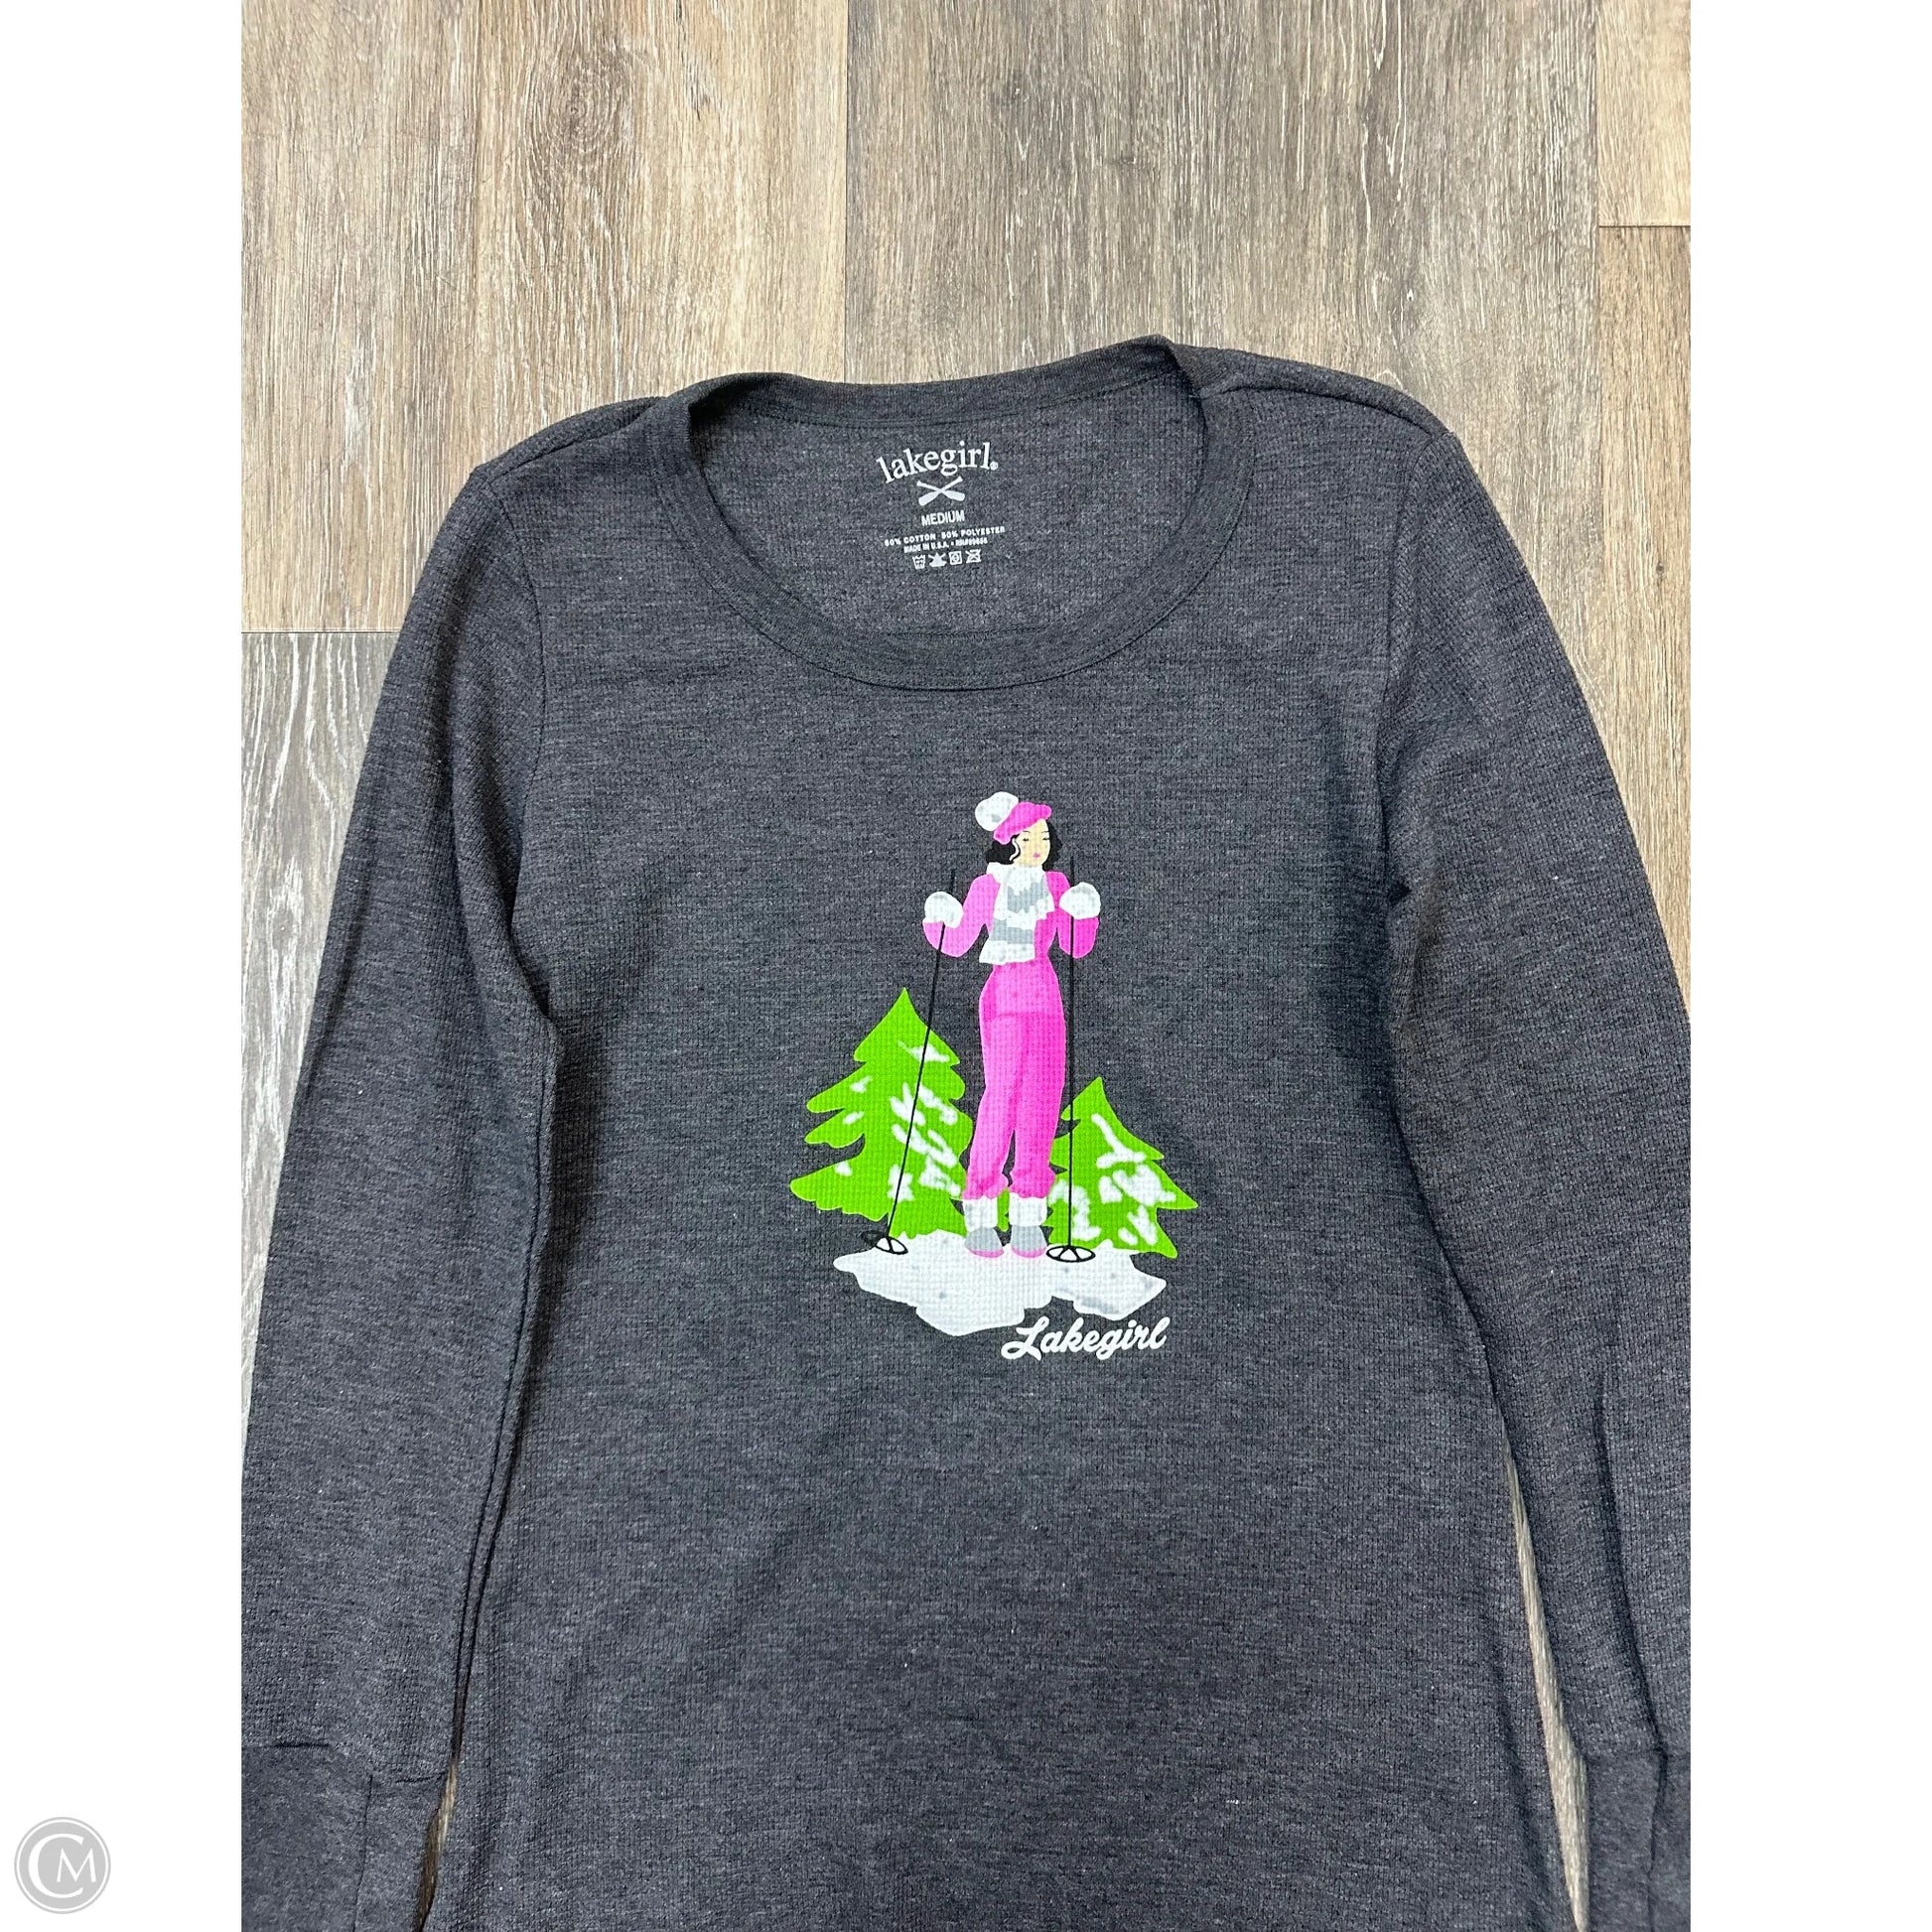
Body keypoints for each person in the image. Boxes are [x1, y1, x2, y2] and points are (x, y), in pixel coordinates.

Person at [922, 791, 1100, 1259]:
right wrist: (938, 920)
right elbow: (957, 942)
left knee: (1042, 1104)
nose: (1038, 846)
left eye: (1043, 837)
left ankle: (1028, 1215)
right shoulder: (987, 888)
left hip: (1046, 1000)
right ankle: (981, 1209)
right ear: (1007, 842)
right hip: (1004, 998)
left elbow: (1075, 947)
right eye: (1028, 837)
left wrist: (1084, 914)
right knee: (1000, 1100)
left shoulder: (1056, 885)